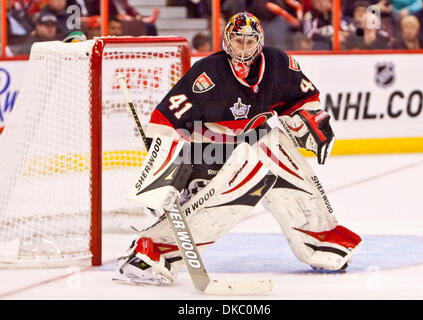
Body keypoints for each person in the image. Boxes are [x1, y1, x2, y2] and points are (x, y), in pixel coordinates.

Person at [113, 12, 362, 286]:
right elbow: (165, 122)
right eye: (237, 40)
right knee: (249, 170)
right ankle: (151, 250)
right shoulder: (207, 74)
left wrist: (311, 120)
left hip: (249, 148)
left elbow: (301, 98)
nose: (243, 47)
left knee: (273, 145)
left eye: (249, 41)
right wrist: (164, 173)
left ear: (259, 41)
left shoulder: (278, 64)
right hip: (206, 157)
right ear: (226, 40)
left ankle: (320, 238)